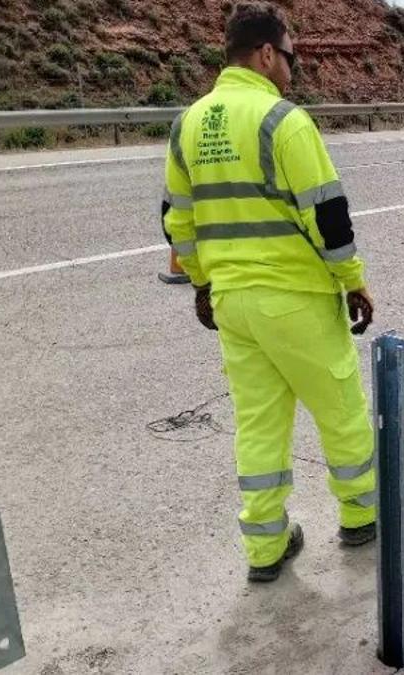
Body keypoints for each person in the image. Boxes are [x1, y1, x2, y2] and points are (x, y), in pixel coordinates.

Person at [163, 2, 378, 583]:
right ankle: (361, 515)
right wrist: (352, 281)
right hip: (295, 298)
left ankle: (265, 546)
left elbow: (177, 221)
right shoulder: (284, 121)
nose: (294, 67)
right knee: (340, 409)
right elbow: (328, 217)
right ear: (265, 54)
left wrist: (204, 284)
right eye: (290, 55)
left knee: (258, 423)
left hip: (233, 303)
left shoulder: (188, 123)